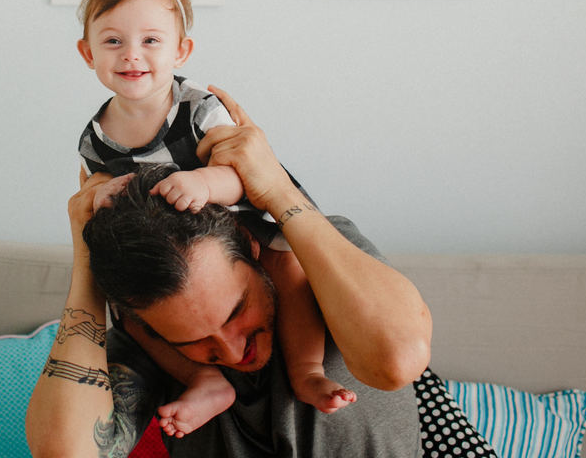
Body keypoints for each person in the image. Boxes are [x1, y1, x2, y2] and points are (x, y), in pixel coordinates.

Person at [26, 86, 433, 457]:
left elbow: (397, 361)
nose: (234, 351)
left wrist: (277, 190)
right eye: (195, 341)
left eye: (237, 311)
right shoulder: (147, 329)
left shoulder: (319, 253)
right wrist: (86, 262)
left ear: (251, 244)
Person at [73, 0, 353, 437]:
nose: (132, 55)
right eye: (113, 42)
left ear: (181, 50)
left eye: (151, 40)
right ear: (88, 53)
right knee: (134, 317)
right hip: (177, 259)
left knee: (289, 267)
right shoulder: (95, 136)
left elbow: (246, 171)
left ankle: (306, 370)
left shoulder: (198, 108)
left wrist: (206, 182)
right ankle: (204, 381)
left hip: (246, 223)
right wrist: (100, 192)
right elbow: (95, 189)